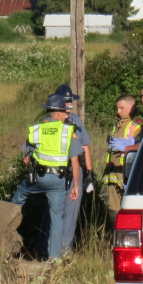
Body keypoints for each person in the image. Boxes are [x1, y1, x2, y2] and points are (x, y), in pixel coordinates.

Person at [12, 93, 82, 260]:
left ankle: (4, 222)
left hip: (37, 178)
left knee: (18, 198)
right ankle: (54, 259)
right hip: (58, 181)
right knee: (56, 216)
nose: (67, 114)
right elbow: (75, 163)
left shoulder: (37, 130)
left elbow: (26, 157)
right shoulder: (67, 132)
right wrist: (77, 186)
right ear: (58, 113)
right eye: (65, 112)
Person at [54, 83, 93, 256]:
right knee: (58, 211)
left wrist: (90, 174)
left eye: (71, 101)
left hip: (70, 172)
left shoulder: (76, 120)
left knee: (68, 213)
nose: (70, 104)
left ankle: (63, 249)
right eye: (67, 101)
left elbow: (85, 146)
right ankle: (56, 249)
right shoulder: (52, 121)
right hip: (60, 173)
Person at [102, 94, 143, 225]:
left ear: (131, 107)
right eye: (117, 108)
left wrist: (129, 145)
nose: (118, 112)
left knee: (129, 211)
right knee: (113, 211)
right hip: (113, 174)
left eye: (121, 108)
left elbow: (142, 146)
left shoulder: (138, 124)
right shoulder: (118, 124)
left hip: (127, 174)